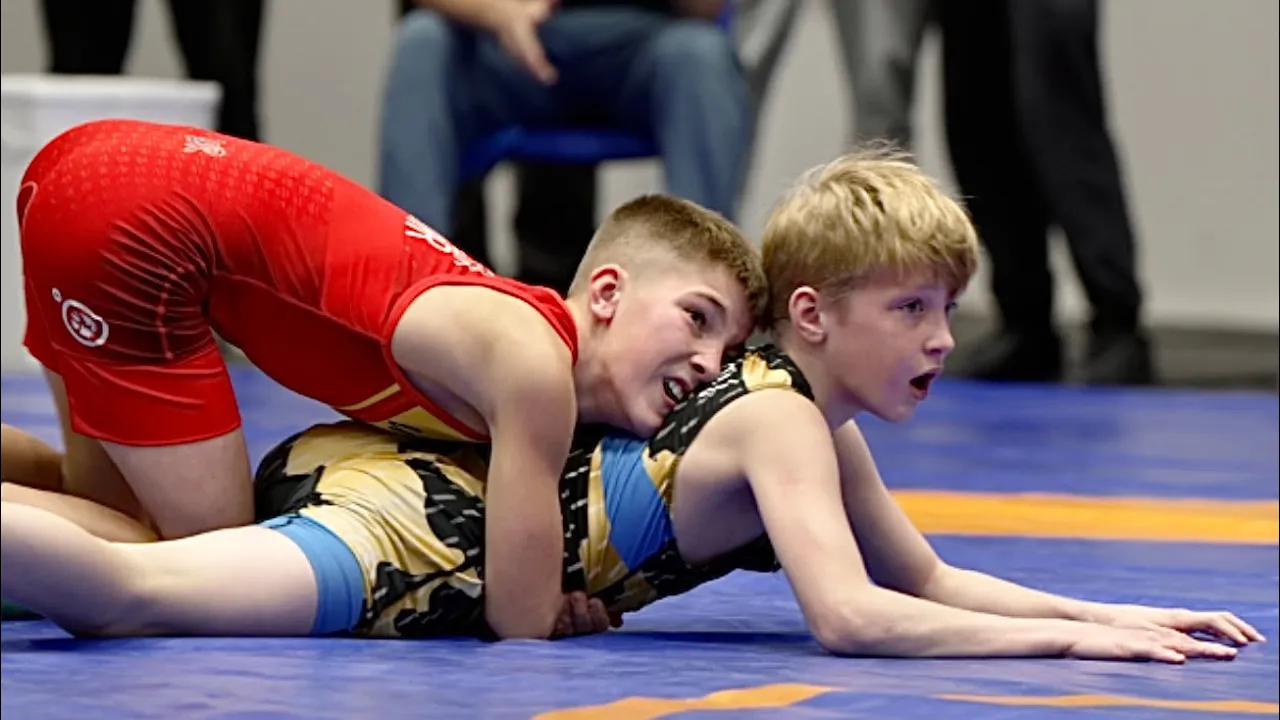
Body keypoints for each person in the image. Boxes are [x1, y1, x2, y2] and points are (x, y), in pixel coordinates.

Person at [1, 149, 1261, 661]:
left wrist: (1108, 609)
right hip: (414, 531)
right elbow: (850, 618)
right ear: (811, 319)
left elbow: (921, 581)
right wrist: (1065, 644)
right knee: (138, 595)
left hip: (407, 493)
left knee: (122, 544)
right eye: (912, 312)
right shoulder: (768, 414)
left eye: (944, 311)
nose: (941, 340)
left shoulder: (801, 421)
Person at [3, 117, 763, 640]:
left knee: (92, 499)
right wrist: (558, 605)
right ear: (604, 293)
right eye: (698, 319)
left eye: (729, 353)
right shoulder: (533, 373)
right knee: (189, 558)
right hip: (137, 220)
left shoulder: (506, 337)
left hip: (96, 172)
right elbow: (520, 619)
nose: (709, 365)